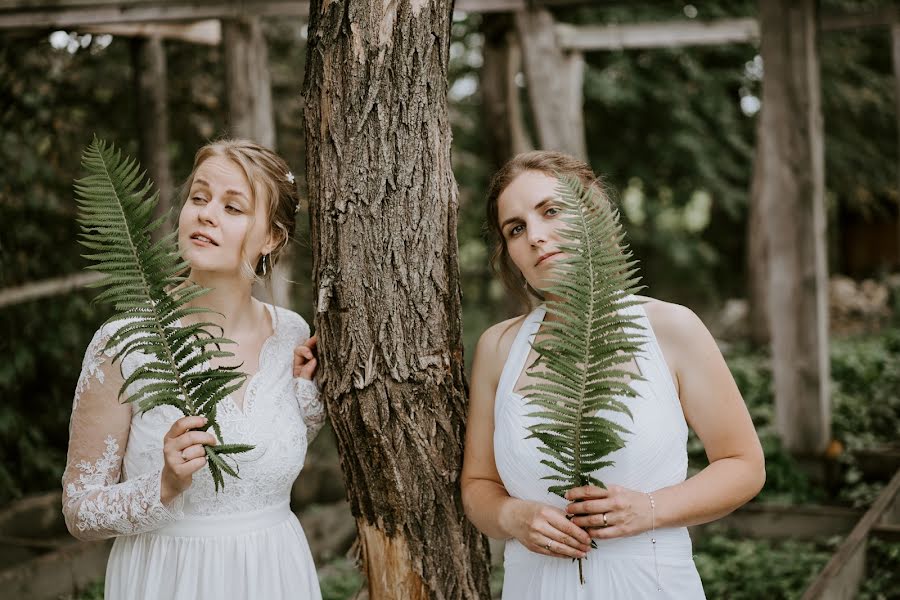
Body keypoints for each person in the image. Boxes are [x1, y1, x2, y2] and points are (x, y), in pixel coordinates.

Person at [461, 151, 766, 598]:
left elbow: (744, 465)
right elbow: (478, 485)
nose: (536, 236)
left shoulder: (671, 328)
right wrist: (511, 517)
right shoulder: (499, 347)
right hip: (535, 586)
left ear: (592, 211)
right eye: (516, 228)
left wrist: (650, 508)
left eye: (551, 211)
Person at [62, 139, 325, 600]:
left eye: (233, 207)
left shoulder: (291, 334)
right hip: (169, 578)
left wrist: (306, 397)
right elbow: (79, 510)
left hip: (274, 573)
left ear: (272, 238)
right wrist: (162, 486)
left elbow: (261, 458)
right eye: (198, 198)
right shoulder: (124, 344)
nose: (206, 214)